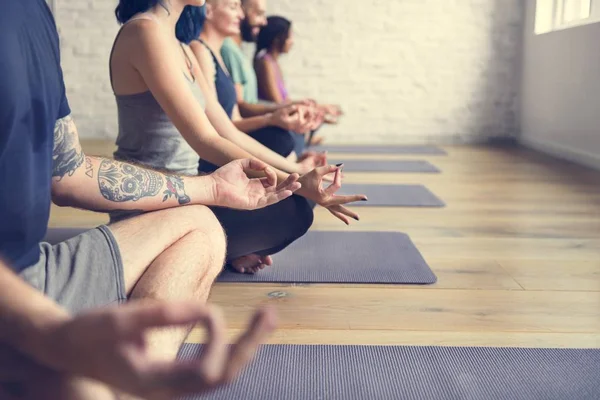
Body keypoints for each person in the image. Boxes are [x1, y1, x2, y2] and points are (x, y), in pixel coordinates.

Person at [0, 0, 292, 398]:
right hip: (14, 301)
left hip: (35, 271)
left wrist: (212, 188)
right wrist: (47, 332)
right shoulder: (142, 32)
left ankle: (143, 379)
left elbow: (68, 173)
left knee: (204, 224)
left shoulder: (38, 15)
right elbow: (209, 136)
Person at [109, 1, 366, 274]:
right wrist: (295, 182)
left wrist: (298, 172)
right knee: (294, 208)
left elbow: (227, 131)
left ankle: (210, 248)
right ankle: (196, 250)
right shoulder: (144, 32)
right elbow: (206, 140)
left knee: (298, 199)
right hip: (153, 204)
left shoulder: (181, 46)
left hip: (193, 191)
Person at [189, 0, 312, 160]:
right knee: (282, 140)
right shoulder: (200, 50)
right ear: (208, 11)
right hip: (213, 148)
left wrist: (274, 119)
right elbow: (219, 130)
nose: (241, 14)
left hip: (228, 133)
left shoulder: (217, 53)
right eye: (234, 7)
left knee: (284, 139)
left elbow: (234, 121)